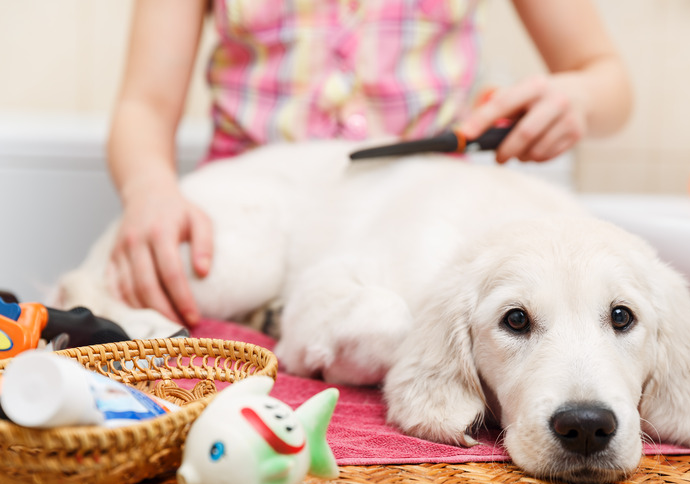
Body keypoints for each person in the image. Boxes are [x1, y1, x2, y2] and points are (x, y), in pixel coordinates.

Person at [106, 0, 632, 330]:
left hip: (412, 226)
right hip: (249, 220)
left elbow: (608, 80)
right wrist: (149, 189)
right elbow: (143, 106)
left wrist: (579, 96)